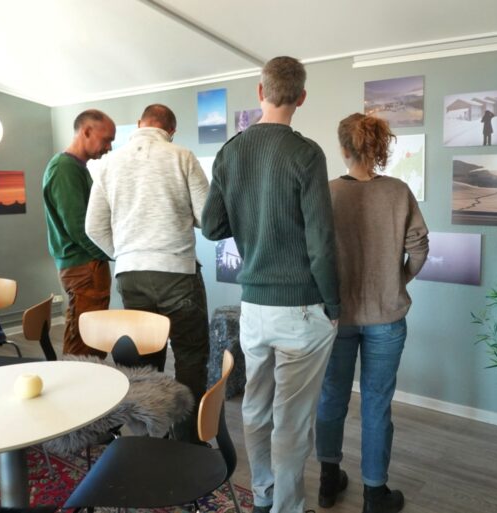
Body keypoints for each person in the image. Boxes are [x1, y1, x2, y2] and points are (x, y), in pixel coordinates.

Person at [201, 56, 340, 513]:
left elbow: (211, 227)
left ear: (259, 93)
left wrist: (251, 216)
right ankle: (286, 507)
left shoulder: (230, 151)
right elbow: (320, 241)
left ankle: (262, 497)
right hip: (301, 308)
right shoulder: (306, 153)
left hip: (254, 308)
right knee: (292, 421)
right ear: (301, 97)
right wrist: (333, 304)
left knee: (256, 409)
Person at [315, 113, 429, 513]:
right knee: (377, 403)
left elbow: (314, 256)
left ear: (343, 149)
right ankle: (374, 494)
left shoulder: (325, 194)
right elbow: (419, 250)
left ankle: (328, 482)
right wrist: (396, 281)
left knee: (331, 397)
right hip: (387, 317)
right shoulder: (398, 192)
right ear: (378, 147)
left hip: (337, 316)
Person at [85, 104, 210, 442]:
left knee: (145, 357)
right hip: (176, 273)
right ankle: (188, 439)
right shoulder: (181, 156)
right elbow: (207, 218)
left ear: (140, 124)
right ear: (172, 130)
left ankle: (152, 433)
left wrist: (123, 253)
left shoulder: (110, 163)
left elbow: (92, 226)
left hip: (131, 275)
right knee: (190, 354)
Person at [42, 109, 115, 357]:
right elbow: (79, 228)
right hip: (84, 267)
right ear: (86, 131)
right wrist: (111, 254)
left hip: (85, 265)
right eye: (107, 139)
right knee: (84, 341)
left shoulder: (75, 167)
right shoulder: (65, 168)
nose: (109, 147)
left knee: (91, 337)